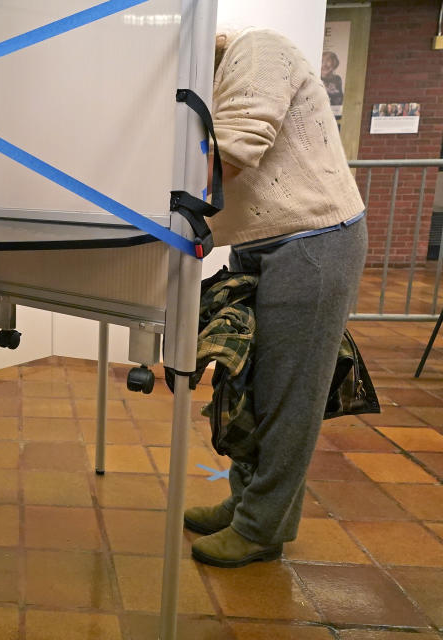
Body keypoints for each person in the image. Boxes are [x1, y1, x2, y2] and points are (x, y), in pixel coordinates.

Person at [184, 28, 367, 568]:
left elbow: (235, 153)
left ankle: (262, 528)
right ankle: (245, 502)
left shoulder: (256, 50)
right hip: (261, 243)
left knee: (290, 396)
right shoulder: (203, 79)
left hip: (313, 240)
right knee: (248, 387)